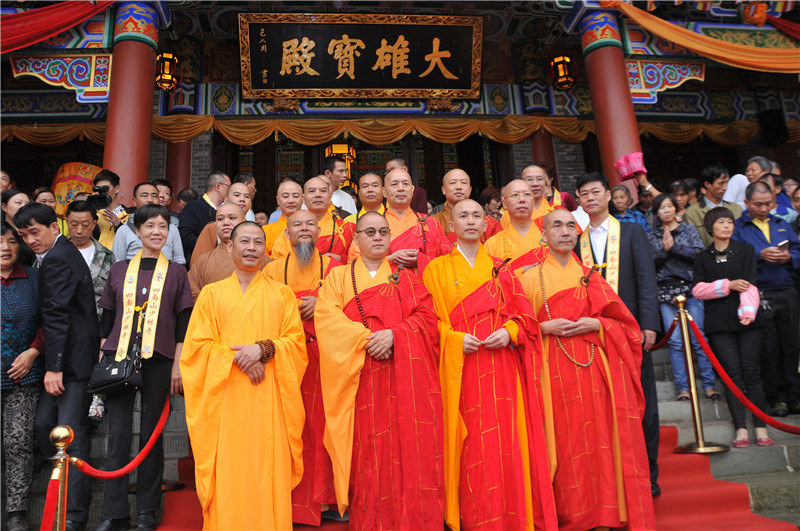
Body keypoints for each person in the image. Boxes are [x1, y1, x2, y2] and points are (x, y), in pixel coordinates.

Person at [422, 200, 557, 531]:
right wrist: (454, 339)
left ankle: (513, 517)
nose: (470, 221)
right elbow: (427, 323)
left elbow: (526, 318)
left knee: (506, 441)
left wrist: (509, 331)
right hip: (461, 371)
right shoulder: (435, 270)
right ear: (450, 225)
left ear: (486, 225)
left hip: (501, 369)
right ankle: (476, 519)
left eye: (476, 216)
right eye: (463, 216)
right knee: (471, 445)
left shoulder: (503, 269)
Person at [521, 209, 656, 530]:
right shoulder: (527, 278)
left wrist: (597, 324)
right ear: (544, 235)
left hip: (594, 369)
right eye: (557, 226)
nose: (565, 231)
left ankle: (604, 515)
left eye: (571, 225)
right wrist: (542, 328)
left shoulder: (591, 276)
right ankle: (568, 515)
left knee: (599, 441)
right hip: (550, 370)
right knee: (563, 444)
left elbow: (626, 327)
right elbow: (515, 328)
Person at [315, 211, 444, 530]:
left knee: (407, 448)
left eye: (383, 232)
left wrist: (395, 335)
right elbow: (327, 319)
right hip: (359, 378)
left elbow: (428, 317)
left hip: (403, 377)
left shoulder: (407, 277)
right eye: (369, 232)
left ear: (390, 238)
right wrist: (368, 339)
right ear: (356, 239)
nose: (377, 237)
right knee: (368, 453)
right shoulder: (338, 277)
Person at [182, 221, 307, 530]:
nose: (251, 248)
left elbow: (296, 344)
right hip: (225, 401)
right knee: (229, 470)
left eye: (257, 243)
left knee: (266, 469)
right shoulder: (211, 295)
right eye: (244, 242)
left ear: (265, 249)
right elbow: (196, 350)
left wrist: (263, 348)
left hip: (268, 400)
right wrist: (240, 357)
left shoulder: (282, 294)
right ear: (229, 246)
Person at [91, 204, 193, 531]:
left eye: (163, 226)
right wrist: (102, 357)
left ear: (169, 233)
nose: (156, 232)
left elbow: (183, 323)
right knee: (118, 436)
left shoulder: (177, 273)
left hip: (160, 360)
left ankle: (147, 511)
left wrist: (178, 365)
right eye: (149, 226)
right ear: (137, 231)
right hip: (119, 357)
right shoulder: (119, 269)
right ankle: (113, 514)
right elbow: (107, 317)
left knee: (152, 436)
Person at [573, 172, 662, 497]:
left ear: (609, 195)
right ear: (579, 201)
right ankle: (615, 476)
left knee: (642, 402)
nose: (590, 198)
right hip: (593, 334)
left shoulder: (631, 232)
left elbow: (646, 279)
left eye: (595, 191)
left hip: (630, 331)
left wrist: (649, 324)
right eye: (584, 194)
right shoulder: (576, 241)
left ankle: (649, 473)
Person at [14, 203, 98, 531]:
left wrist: (55, 366)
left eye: (35, 232)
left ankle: (74, 516)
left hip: (72, 363)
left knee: (70, 437)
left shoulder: (59, 258)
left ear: (53, 227)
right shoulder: (55, 255)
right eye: (24, 235)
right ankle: (59, 492)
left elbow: (57, 315)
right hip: (66, 358)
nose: (30, 240)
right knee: (43, 425)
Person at [263, 210, 341, 525]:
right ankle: (290, 503)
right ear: (287, 233)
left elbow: (348, 309)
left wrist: (321, 305)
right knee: (290, 427)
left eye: (310, 224)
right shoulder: (271, 270)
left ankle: (328, 500)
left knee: (324, 428)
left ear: (319, 230)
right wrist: (292, 309)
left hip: (325, 359)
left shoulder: (335, 268)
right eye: (297, 224)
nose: (304, 229)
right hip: (287, 359)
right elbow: (264, 310)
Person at [692, 207, 772, 447]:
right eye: (721, 222)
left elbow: (750, 284)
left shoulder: (745, 250)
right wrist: (727, 285)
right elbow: (698, 290)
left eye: (729, 222)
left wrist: (747, 312)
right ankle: (740, 428)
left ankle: (760, 426)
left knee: (752, 373)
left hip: (748, 319)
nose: (727, 226)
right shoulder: (702, 257)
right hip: (719, 323)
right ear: (710, 228)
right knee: (732, 375)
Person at [732, 181, 800, 417]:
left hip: (787, 289)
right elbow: (735, 257)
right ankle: (778, 398)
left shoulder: (781, 223)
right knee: (769, 348)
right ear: (746, 203)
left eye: (768, 204)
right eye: (758, 204)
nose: (763, 209)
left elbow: (798, 249)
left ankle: (795, 395)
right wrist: (759, 255)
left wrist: (789, 257)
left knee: (792, 345)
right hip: (760, 292)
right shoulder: (739, 227)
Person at [646, 194, 717, 401]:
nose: (667, 210)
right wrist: (665, 251)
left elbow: (700, 255)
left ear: (676, 209)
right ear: (656, 213)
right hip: (665, 289)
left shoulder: (688, 230)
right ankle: (683, 388)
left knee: (699, 337)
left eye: (670, 206)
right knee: (675, 341)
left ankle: (709, 385)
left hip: (690, 288)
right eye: (662, 207)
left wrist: (675, 248)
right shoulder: (651, 236)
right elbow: (648, 262)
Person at [1, 222, 45, 531]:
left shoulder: (35, 279)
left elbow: (51, 320)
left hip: (24, 377)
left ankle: (16, 515)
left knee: (18, 442)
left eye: (11, 241)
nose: (5, 247)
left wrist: (34, 351)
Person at [351, 168, 450, 274]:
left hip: (425, 282)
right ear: (384, 192)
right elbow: (355, 263)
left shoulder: (430, 223)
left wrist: (422, 260)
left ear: (412, 191)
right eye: (394, 184)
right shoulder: (369, 225)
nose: (401, 188)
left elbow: (450, 261)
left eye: (405, 184)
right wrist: (389, 260)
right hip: (385, 283)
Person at [271, 177, 352, 263]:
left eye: (323, 191)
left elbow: (357, 259)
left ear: (330, 198)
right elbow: (279, 263)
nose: (318, 195)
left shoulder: (347, 228)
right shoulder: (291, 231)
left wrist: (341, 259)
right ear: (304, 199)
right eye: (312, 191)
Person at [112, 182, 186, 265]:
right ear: (135, 201)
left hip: (166, 272)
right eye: (144, 196)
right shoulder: (124, 230)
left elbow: (179, 260)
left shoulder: (171, 228)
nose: (150, 200)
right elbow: (118, 263)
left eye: (154, 196)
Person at [484, 179, 545, 276]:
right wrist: (519, 273)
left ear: (533, 201)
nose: (522, 199)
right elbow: (489, 280)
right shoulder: (492, 244)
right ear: (504, 203)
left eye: (527, 194)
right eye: (515, 195)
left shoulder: (550, 237)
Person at [66, 200, 116, 320]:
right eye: (74, 225)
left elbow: (112, 298)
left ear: (93, 224)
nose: (79, 230)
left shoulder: (107, 257)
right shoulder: (54, 255)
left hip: (96, 323)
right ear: (67, 222)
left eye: (85, 225)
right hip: (62, 324)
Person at [188, 203, 247, 301]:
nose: (225, 223)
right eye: (220, 219)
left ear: (244, 222)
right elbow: (191, 290)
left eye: (232, 218)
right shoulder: (202, 261)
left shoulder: (259, 260)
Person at [190, 182, 253, 265]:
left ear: (251, 203)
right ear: (226, 200)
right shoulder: (213, 228)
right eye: (237, 195)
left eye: (247, 196)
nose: (242, 199)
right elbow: (198, 264)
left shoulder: (254, 229)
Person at [432, 168, 501, 244]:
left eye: (464, 183)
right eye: (453, 183)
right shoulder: (433, 222)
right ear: (444, 190)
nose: (459, 187)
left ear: (470, 189)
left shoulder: (490, 224)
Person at [684, 165, 743, 247]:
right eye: (721, 183)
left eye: (727, 183)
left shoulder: (736, 209)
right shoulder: (692, 213)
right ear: (707, 184)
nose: (725, 188)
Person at [179, 170, 230, 259]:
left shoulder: (227, 209)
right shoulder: (193, 207)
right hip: (201, 259)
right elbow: (186, 235)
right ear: (218, 186)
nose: (230, 191)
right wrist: (208, 249)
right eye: (229, 187)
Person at [263, 179, 304, 257]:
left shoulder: (311, 228)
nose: (291, 201)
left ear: (302, 199)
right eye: (285, 196)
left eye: (295, 196)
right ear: (278, 200)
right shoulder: (266, 231)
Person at [93, 170, 130, 250]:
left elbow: (132, 241)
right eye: (99, 189)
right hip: (96, 256)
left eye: (105, 188)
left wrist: (118, 225)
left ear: (117, 188)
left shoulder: (129, 216)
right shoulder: (94, 213)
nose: (102, 193)